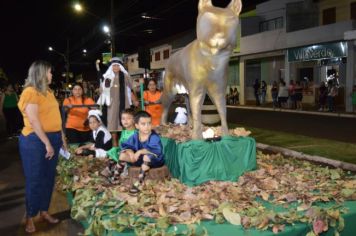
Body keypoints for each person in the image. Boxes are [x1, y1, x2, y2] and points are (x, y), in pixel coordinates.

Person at [17, 60, 67, 233]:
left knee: (48, 178)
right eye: (49, 72)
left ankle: (44, 211)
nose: (52, 74)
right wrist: (47, 143)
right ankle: (30, 217)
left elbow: (55, 118)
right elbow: (34, 120)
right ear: (41, 73)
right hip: (35, 141)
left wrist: (62, 139)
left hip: (53, 139)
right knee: (35, 180)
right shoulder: (30, 92)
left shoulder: (49, 92)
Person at [118, 111, 164, 193]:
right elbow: (126, 145)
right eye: (143, 124)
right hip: (140, 160)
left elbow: (154, 150)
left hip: (154, 160)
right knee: (122, 155)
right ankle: (116, 177)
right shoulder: (135, 136)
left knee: (147, 156)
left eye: (149, 123)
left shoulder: (153, 136)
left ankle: (139, 182)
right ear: (137, 126)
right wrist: (131, 152)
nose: (147, 126)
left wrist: (139, 152)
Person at [96, 58, 138, 147]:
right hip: (111, 107)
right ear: (111, 67)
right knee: (114, 134)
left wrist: (135, 98)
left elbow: (131, 88)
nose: (116, 67)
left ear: (120, 66)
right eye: (114, 65)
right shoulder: (108, 77)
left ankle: (127, 149)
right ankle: (115, 153)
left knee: (126, 130)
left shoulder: (125, 76)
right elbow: (102, 90)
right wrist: (100, 89)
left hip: (124, 105)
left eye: (117, 65)